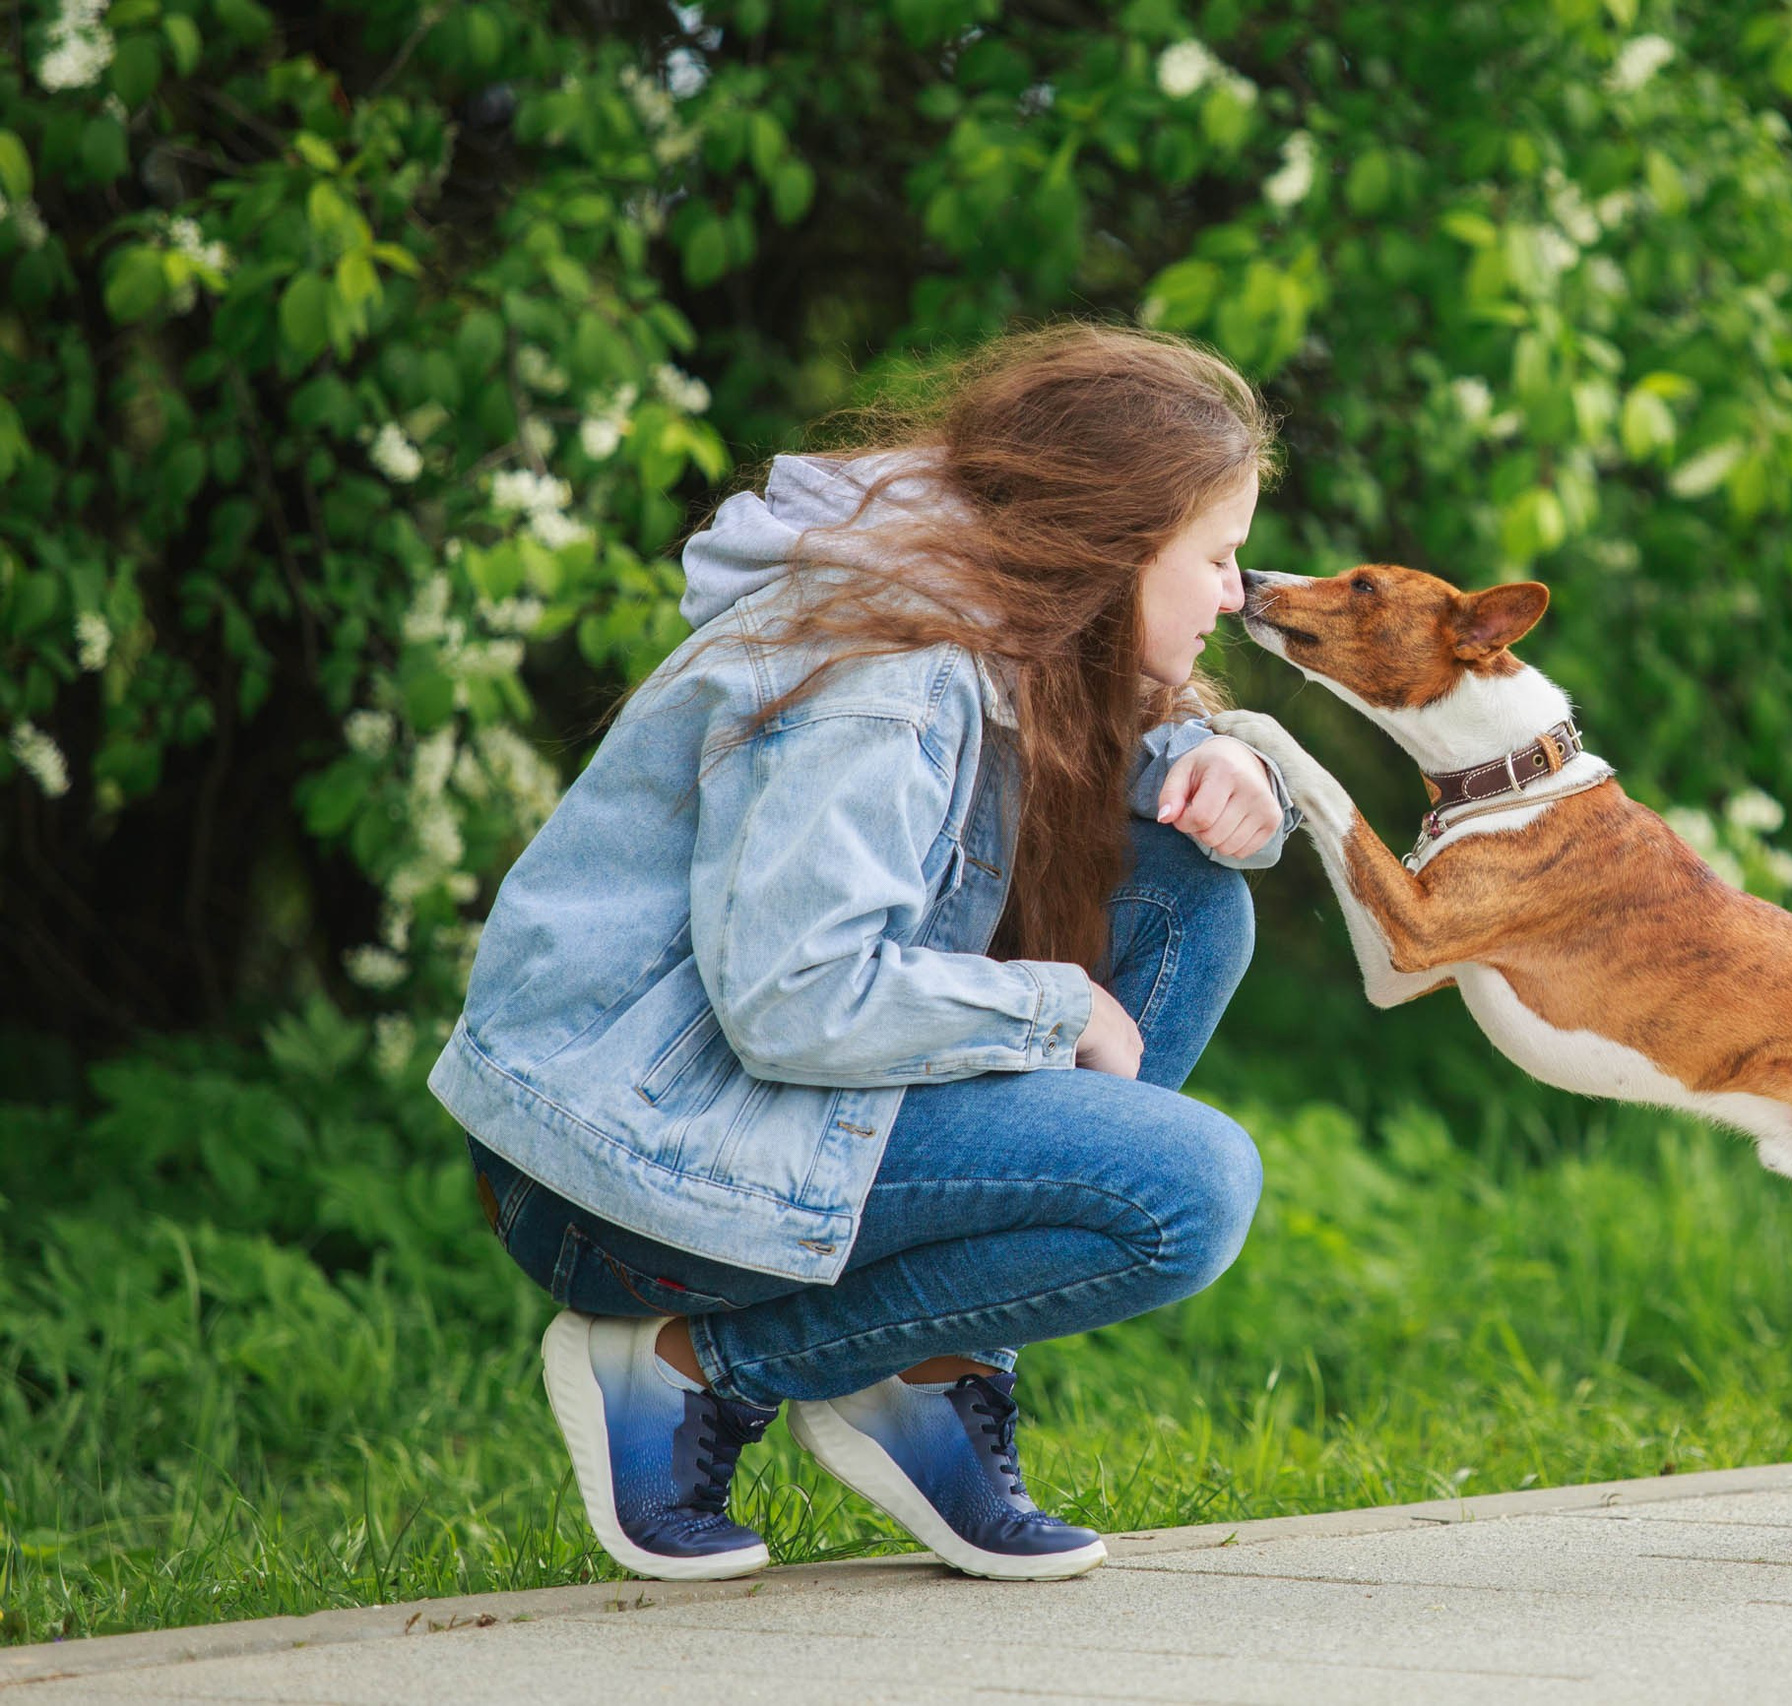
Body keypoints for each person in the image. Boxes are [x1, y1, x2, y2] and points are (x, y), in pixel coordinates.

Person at [427, 324, 1297, 1584]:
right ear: (1112, 549)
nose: (1233, 591)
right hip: (616, 1180)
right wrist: (1056, 1011)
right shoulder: (889, 675)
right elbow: (795, 996)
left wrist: (1226, 760)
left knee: (1191, 895)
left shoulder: (998, 618)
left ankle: (923, 1367)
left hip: (733, 1112)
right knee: (1185, 1193)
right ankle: (688, 1368)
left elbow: (1097, 739)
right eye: (1216, 556)